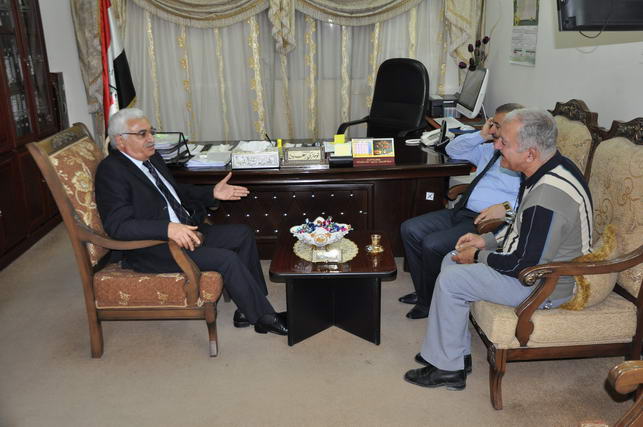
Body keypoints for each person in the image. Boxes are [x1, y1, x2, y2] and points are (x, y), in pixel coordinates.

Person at [404, 109, 593, 390]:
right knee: (451, 258)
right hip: (535, 267)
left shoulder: (547, 196)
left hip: (546, 284)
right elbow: (523, 228)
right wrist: (486, 241)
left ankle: (448, 371)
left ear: (529, 153)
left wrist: (478, 256)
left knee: (454, 278)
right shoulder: (548, 168)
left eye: (504, 142)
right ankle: (455, 354)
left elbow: (523, 266)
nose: (496, 146)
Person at [95, 108, 287, 336]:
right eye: (142, 134)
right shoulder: (111, 171)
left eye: (151, 132)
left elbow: (176, 192)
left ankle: (250, 306)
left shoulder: (152, 158)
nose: (151, 139)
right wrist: (167, 228)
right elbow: (118, 226)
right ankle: (264, 318)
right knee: (226, 259)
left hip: (186, 231)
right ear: (120, 140)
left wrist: (211, 193)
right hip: (153, 247)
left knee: (242, 234)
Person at [399, 103, 523, 319]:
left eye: (500, 126)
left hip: (486, 222)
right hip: (462, 211)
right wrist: (481, 135)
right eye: (494, 124)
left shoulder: (521, 159)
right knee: (410, 228)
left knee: (432, 244)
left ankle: (430, 301)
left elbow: (527, 201)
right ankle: (425, 293)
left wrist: (504, 208)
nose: (496, 130)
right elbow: (452, 150)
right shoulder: (490, 148)